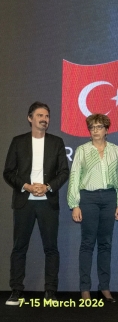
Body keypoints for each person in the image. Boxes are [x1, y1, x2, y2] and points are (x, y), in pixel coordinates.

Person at [3, 101, 69, 305]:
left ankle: (50, 291)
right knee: (19, 248)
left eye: (47, 116)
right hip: (24, 202)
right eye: (40, 115)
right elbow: (8, 172)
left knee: (51, 248)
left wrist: (48, 187)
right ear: (30, 118)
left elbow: (64, 172)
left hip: (48, 203)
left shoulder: (57, 142)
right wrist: (26, 186)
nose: (44, 119)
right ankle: (16, 291)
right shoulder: (18, 142)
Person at [67, 114, 118, 302]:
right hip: (88, 198)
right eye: (92, 127)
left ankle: (104, 287)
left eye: (99, 127)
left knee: (105, 244)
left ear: (106, 130)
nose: (95, 130)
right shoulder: (82, 150)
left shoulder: (116, 151)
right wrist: (74, 204)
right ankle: (85, 289)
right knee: (87, 243)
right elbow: (74, 177)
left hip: (109, 198)